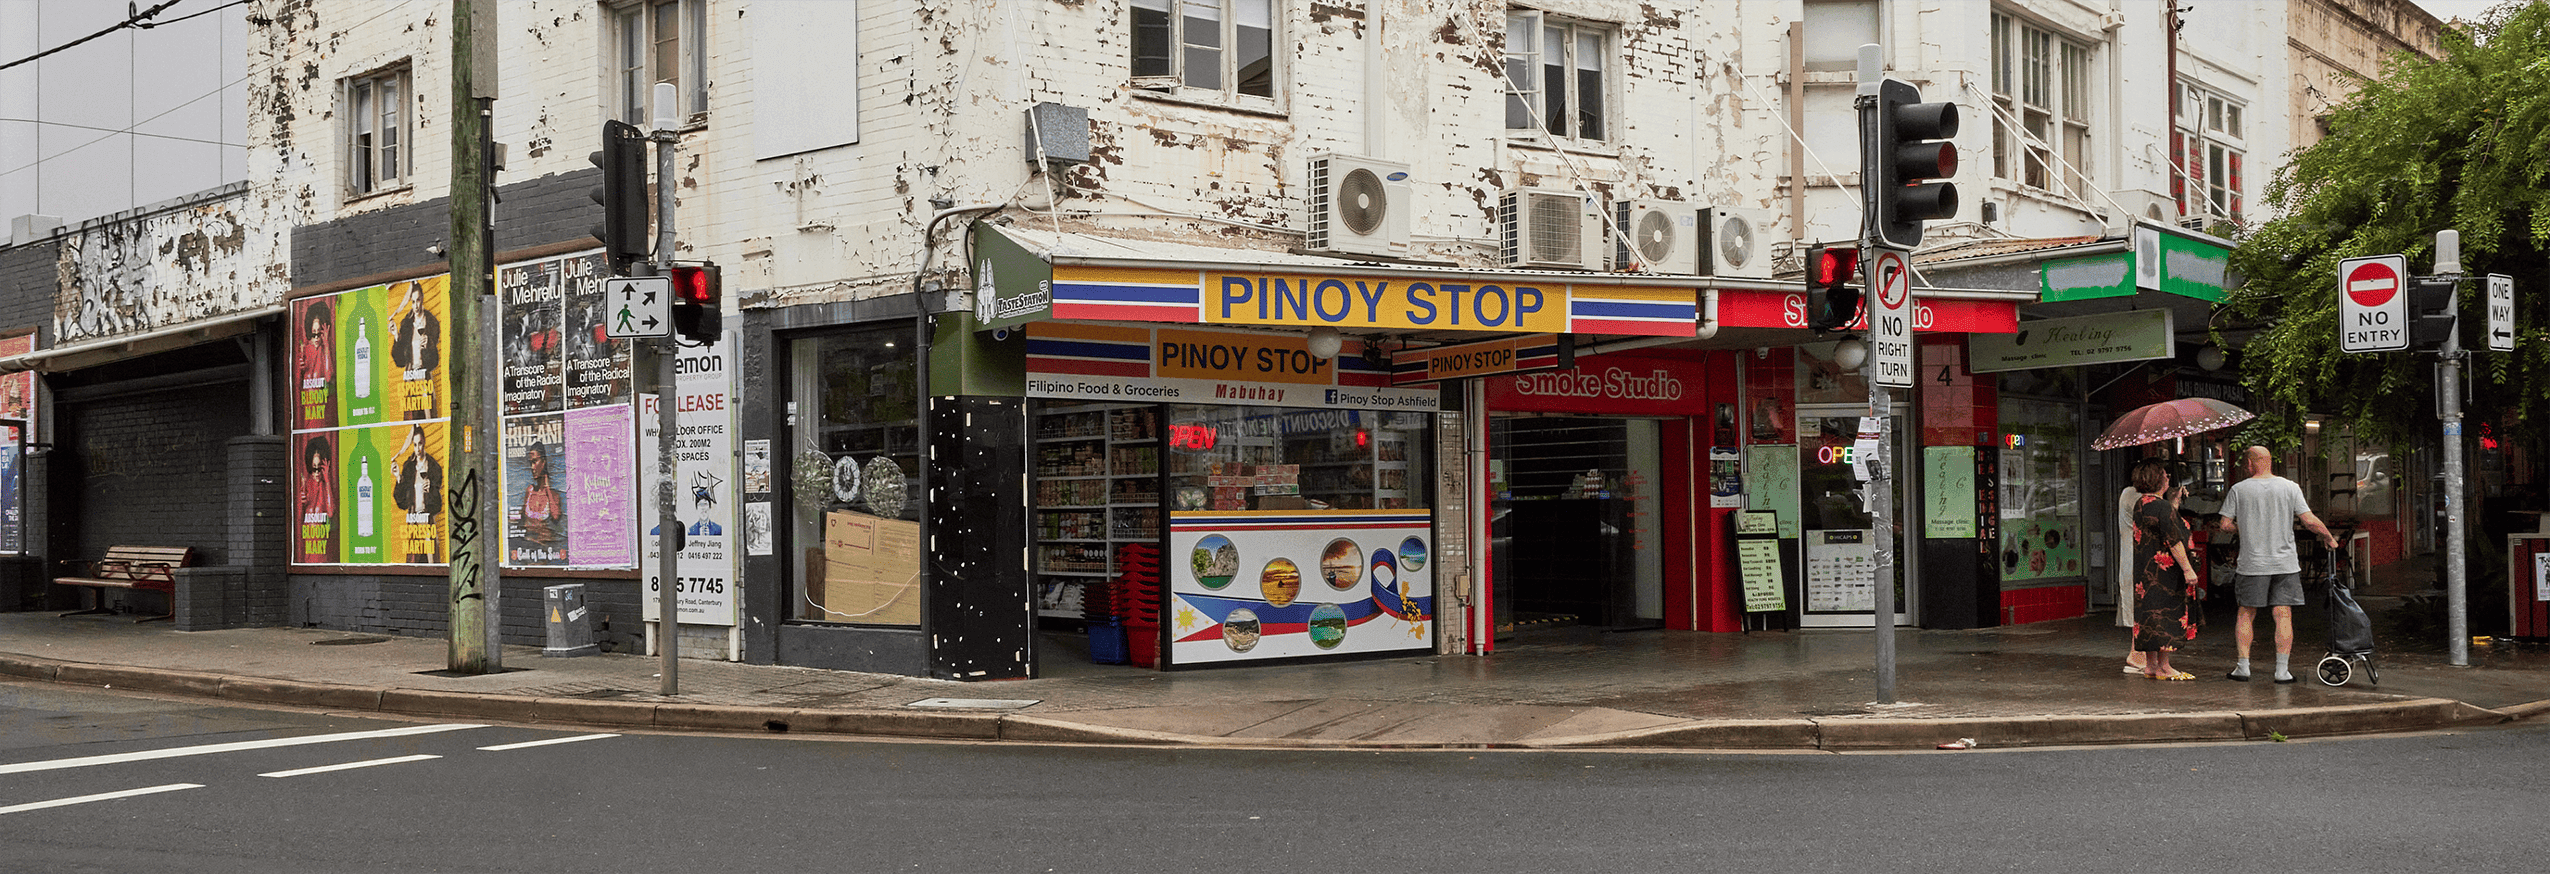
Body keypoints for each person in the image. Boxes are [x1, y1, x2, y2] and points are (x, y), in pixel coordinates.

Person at [2217, 445, 2340, 683]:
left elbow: (2224, 525)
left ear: (2249, 463)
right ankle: (2282, 671)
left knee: (2246, 613)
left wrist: (2245, 528)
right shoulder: (2290, 487)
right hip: (2285, 563)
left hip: (2252, 564)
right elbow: (2309, 520)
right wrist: (2328, 537)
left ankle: (2243, 668)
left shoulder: (2238, 489)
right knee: (2283, 614)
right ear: (2270, 461)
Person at [2129, 461, 2201, 680]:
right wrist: (2188, 569)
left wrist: (2174, 503)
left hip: (2145, 570)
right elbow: (2173, 539)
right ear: (2157, 479)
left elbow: (2160, 525)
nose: (2168, 477)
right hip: (2164, 572)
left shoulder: (2142, 504)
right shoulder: (2162, 507)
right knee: (2165, 614)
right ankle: (2165, 667)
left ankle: (2151, 665)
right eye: (2164, 474)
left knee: (2149, 615)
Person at [2116, 458, 2164, 674]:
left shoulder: (2127, 493)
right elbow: (2160, 524)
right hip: (2140, 560)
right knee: (2143, 607)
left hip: (2132, 558)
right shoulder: (2137, 498)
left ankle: (2140, 654)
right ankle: (2137, 655)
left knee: (2140, 606)